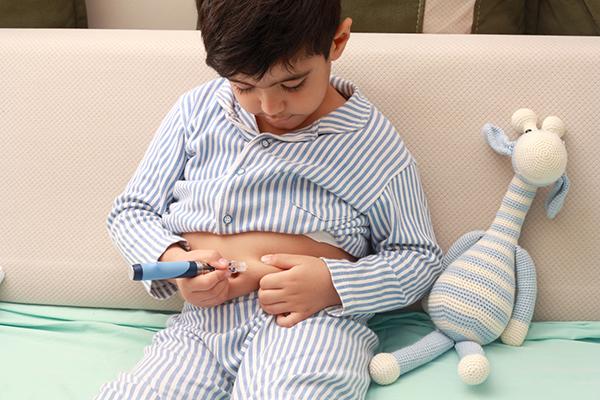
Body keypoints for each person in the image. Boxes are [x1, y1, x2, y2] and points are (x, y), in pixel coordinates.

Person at [96, 1, 443, 399]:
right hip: (202, 329)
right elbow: (131, 211)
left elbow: (418, 256)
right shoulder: (197, 111)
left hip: (310, 323)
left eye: (292, 85)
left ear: (337, 42)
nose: (270, 107)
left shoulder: (372, 145)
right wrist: (173, 262)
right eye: (243, 86)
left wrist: (333, 284)